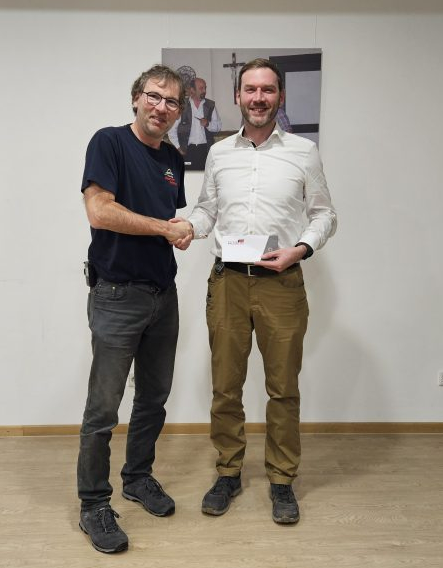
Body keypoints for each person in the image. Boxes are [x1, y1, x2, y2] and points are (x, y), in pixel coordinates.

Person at [173, 58, 336, 525]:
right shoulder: (220, 153)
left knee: (283, 388)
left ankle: (282, 480)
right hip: (228, 283)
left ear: (278, 96)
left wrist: (300, 249)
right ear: (238, 96)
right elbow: (207, 209)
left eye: (267, 89)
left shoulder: (303, 152)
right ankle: (228, 472)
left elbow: (324, 214)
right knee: (225, 386)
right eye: (250, 89)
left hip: (281, 283)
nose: (258, 98)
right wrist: (188, 227)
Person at [77, 64, 193, 554]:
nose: (161, 107)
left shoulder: (172, 159)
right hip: (117, 295)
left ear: (179, 112)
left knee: (153, 398)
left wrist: (182, 230)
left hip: (163, 295)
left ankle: (138, 477)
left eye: (172, 101)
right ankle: (93, 504)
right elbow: (99, 211)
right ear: (136, 98)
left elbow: (171, 218)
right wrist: (166, 229)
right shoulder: (109, 142)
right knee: (104, 408)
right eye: (154, 96)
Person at [168, 77, 221, 170]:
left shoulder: (210, 105)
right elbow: (171, 130)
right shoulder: (182, 106)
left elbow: (218, 127)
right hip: (187, 150)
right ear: (192, 90)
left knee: (205, 177)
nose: (204, 91)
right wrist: (178, 148)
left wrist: (208, 124)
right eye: (201, 88)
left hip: (206, 150)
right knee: (188, 177)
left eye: (205, 88)